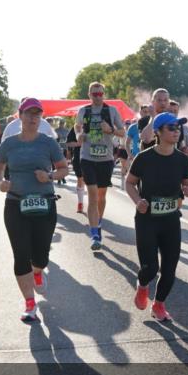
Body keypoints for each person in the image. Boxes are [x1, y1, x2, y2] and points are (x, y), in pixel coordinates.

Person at [0, 98, 68, 322]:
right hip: (16, 203)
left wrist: (51, 176)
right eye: (29, 113)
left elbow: (64, 168)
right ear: (20, 116)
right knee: (20, 254)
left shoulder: (48, 143)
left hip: (44, 203)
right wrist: (0, 183)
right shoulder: (9, 143)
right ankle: (29, 303)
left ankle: (38, 272)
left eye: (37, 114)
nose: (33, 118)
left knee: (41, 256)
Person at [126, 112, 188, 323]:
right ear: (158, 132)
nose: (177, 131)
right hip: (147, 219)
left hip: (171, 219)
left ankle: (159, 305)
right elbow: (129, 183)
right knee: (150, 268)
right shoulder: (144, 158)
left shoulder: (182, 159)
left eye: (178, 127)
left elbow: (186, 184)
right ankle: (143, 284)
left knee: (169, 268)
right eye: (171, 128)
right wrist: (138, 201)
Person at [75, 82, 125, 250]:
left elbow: (122, 132)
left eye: (100, 94)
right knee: (93, 195)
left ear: (104, 94)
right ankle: (95, 233)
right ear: (89, 94)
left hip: (106, 159)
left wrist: (110, 129)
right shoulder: (84, 111)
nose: (97, 97)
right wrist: (79, 134)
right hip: (87, 158)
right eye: (94, 94)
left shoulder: (111, 111)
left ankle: (98, 222)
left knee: (102, 196)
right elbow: (77, 125)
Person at [64, 124, 86, 214]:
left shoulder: (96, 125)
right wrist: (78, 144)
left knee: (92, 181)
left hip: (94, 158)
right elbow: (68, 142)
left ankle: (94, 203)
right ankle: (80, 203)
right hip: (79, 158)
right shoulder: (76, 127)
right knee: (80, 179)